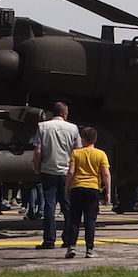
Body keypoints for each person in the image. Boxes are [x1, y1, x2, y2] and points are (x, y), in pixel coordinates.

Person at [31, 102, 80, 250]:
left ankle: (49, 239)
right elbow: (77, 150)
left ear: (53, 113)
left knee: (49, 206)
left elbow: (38, 150)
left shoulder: (42, 126)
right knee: (67, 206)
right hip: (66, 171)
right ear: (65, 114)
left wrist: (38, 166)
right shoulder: (73, 128)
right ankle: (69, 239)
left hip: (48, 169)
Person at [61, 126, 110, 259]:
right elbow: (105, 173)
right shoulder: (101, 154)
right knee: (90, 219)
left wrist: (67, 187)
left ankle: (71, 246)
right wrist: (108, 191)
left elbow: (71, 171)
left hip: (77, 188)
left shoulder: (76, 153)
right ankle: (90, 248)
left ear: (82, 139)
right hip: (93, 188)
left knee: (74, 218)